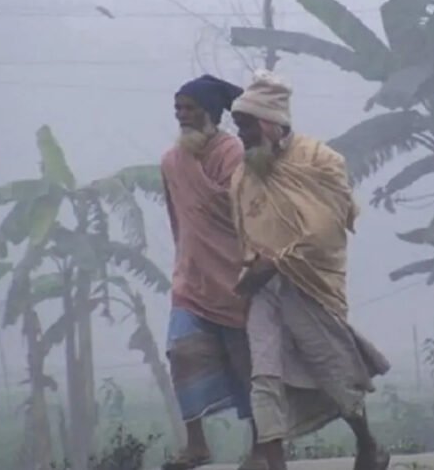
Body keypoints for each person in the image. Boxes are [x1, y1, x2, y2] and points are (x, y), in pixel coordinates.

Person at [228, 70, 392, 470]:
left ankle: (368, 445)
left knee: (334, 371)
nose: (241, 135)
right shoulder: (243, 174)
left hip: (311, 284)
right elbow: (246, 231)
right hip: (264, 290)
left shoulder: (321, 160)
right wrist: (253, 271)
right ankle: (273, 463)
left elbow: (326, 228)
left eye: (246, 125)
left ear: (270, 121)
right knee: (264, 376)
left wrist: (278, 261)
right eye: (238, 127)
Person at [161, 74, 266, 470]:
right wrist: (186, 259)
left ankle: (261, 448)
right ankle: (196, 445)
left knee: (246, 365)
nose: (183, 116)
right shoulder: (171, 161)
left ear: (209, 112)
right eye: (179, 109)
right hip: (190, 279)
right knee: (181, 353)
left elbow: (245, 213)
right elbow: (179, 220)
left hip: (234, 279)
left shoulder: (232, 153)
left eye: (190, 109)